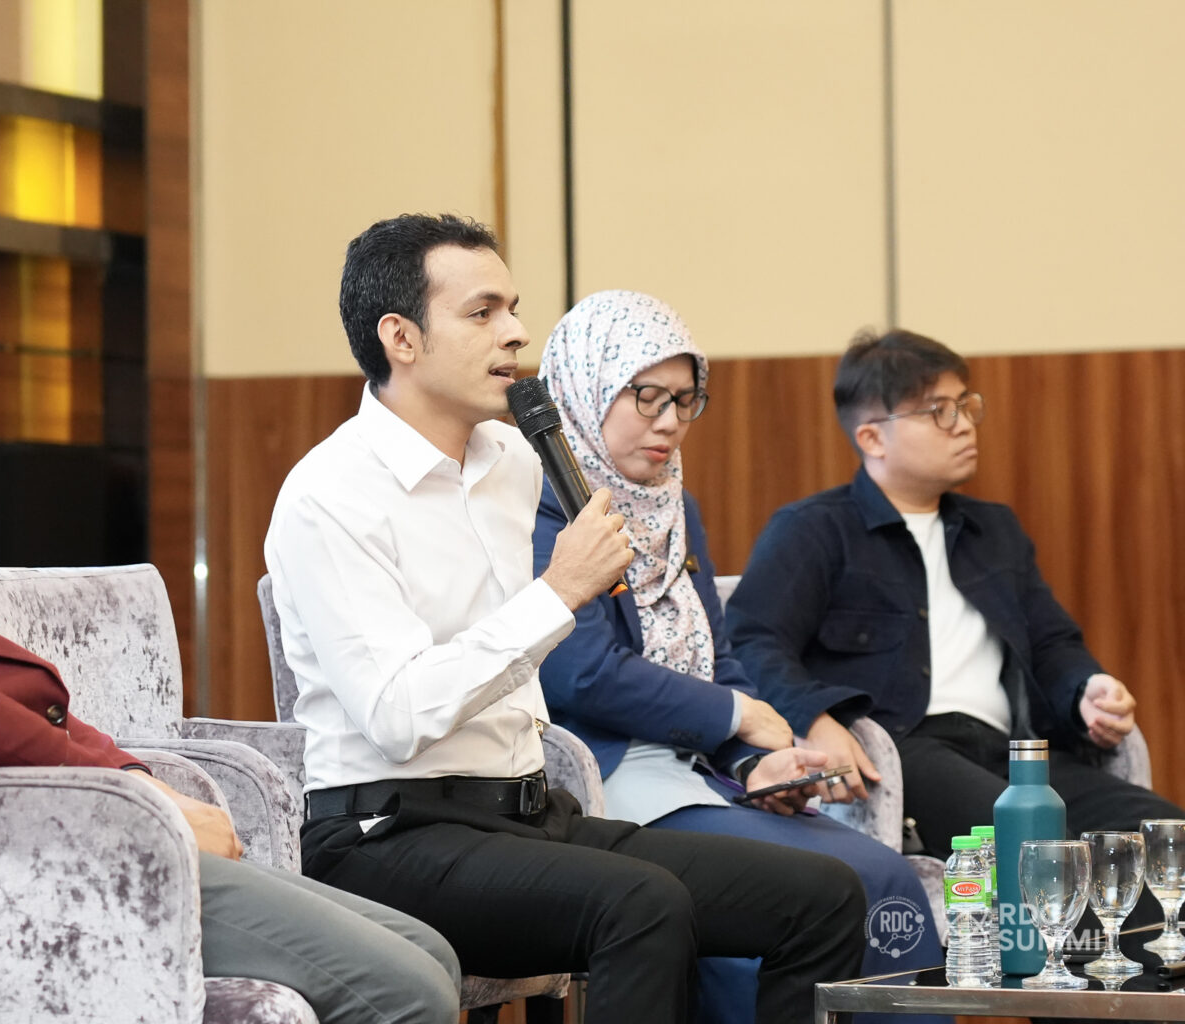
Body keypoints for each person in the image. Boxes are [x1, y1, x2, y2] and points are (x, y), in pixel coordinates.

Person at [0, 212, 461, 1024]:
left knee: (430, 951)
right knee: (410, 986)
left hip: (46, 830)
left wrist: (139, 780)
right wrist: (143, 802)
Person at [265, 213, 866, 1024]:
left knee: (822, 896)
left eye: (514, 308)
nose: (516, 333)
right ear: (400, 338)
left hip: (527, 814)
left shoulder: (516, 460)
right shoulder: (330, 494)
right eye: (482, 313)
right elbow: (396, 716)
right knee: (641, 906)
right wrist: (557, 593)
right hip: (385, 835)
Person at [530, 290, 945, 1022]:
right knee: (818, 888)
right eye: (646, 396)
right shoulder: (539, 506)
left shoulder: (673, 504)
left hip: (703, 775)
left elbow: (718, 657)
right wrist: (737, 716)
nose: (669, 422)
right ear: (586, 387)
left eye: (685, 400)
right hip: (605, 780)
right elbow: (579, 670)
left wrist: (756, 764)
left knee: (889, 880)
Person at [725, 328, 1184, 869]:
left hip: (1014, 754)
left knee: (1163, 839)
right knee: (1039, 844)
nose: (964, 424)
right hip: (907, 752)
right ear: (872, 438)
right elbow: (752, 641)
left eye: (966, 405)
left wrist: (1086, 690)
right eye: (939, 411)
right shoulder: (814, 530)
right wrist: (817, 718)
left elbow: (1052, 643)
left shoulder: (996, 531)